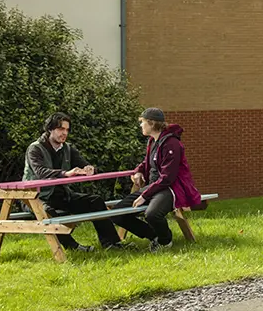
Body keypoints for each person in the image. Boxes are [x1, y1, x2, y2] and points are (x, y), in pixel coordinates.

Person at [23, 112, 123, 252]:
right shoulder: (35, 148)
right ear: (50, 129)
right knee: (49, 213)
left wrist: (90, 169)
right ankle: (74, 248)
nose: (64, 133)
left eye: (67, 130)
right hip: (35, 198)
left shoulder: (68, 148)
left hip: (63, 195)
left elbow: (84, 165)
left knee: (95, 201)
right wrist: (66, 174)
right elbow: (41, 172)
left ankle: (112, 243)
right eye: (61, 129)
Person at [112, 107, 203, 252]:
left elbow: (168, 177)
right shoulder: (153, 141)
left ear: (152, 123)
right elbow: (146, 162)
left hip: (170, 188)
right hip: (153, 187)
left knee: (152, 214)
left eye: (142, 122)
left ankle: (165, 241)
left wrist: (144, 195)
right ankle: (155, 236)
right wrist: (138, 171)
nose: (140, 125)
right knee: (117, 214)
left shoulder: (172, 144)